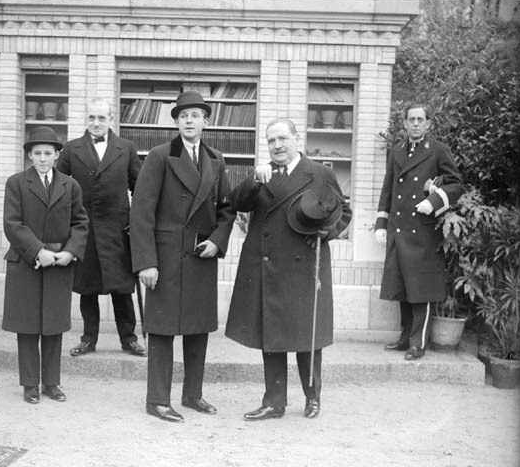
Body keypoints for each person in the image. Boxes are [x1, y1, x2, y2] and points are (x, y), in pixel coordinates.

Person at [225, 119, 352, 421]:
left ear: (297, 139)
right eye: (271, 141)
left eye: (283, 138)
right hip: (268, 264)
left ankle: (313, 397)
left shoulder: (320, 174)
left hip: (305, 266)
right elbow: (236, 202)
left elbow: (342, 213)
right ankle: (274, 402)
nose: (277, 145)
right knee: (272, 334)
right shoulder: (263, 174)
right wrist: (254, 179)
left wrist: (326, 232)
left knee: (306, 336)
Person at [129, 91, 236, 423]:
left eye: (196, 115)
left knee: (197, 328)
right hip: (164, 258)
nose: (190, 121)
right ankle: (157, 399)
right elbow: (141, 212)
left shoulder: (216, 159)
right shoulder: (161, 156)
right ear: (176, 122)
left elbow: (227, 208)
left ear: (207, 121)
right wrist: (146, 261)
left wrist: (218, 242)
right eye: (183, 116)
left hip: (200, 256)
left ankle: (193, 395)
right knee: (161, 330)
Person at [1, 126, 89, 405]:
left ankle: (52, 382)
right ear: (29, 155)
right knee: (27, 325)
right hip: (26, 262)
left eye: (48, 153)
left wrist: (71, 252)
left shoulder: (70, 185)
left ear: (57, 155)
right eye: (36, 153)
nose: (42, 158)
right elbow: (12, 224)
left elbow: (80, 223)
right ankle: (30, 384)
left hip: (59, 263)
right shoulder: (16, 183)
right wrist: (37, 250)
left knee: (53, 324)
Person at [56, 98, 146, 358]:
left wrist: (136, 221)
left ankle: (129, 340)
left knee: (122, 288)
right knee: (88, 287)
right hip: (85, 229)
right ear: (86, 119)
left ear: (111, 120)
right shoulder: (71, 149)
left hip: (118, 229)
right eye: (92, 118)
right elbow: (59, 186)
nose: (96, 123)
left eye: (102, 118)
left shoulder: (126, 148)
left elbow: (138, 187)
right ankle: (88, 339)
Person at [374, 103, 464, 361]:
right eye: (410, 119)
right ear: (404, 123)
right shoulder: (396, 151)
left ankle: (418, 343)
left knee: (419, 287)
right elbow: (387, 190)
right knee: (402, 285)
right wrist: (381, 224)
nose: (415, 123)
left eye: (420, 119)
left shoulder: (437, 151)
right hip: (399, 229)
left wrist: (434, 202)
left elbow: (457, 184)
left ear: (428, 123)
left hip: (422, 232)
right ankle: (405, 339)